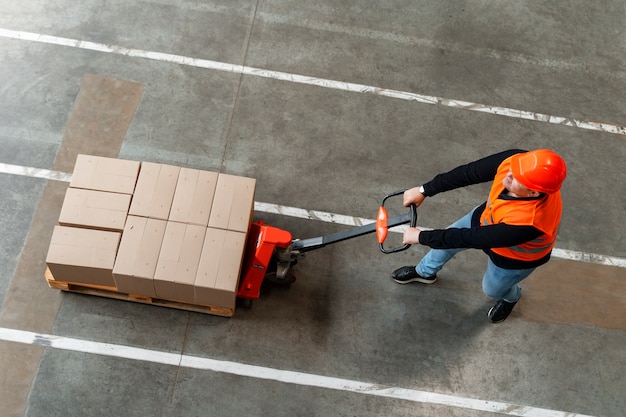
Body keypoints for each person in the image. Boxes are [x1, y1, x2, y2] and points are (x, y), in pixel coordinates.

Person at [392, 149, 567, 323]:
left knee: (492, 290)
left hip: (515, 257)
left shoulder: (531, 222)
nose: (509, 173)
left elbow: (471, 238)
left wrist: (421, 237)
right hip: (486, 218)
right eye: (514, 167)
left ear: (533, 193)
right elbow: (469, 173)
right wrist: (424, 190)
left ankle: (511, 296)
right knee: (443, 245)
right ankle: (424, 273)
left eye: (517, 178)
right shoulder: (517, 161)